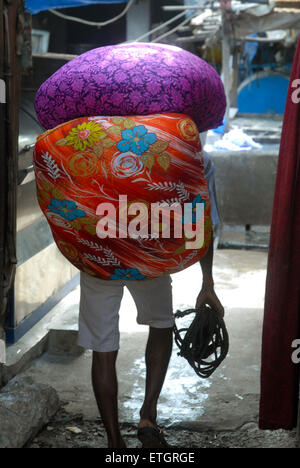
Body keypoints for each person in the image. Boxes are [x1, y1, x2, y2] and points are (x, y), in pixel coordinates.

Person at [77, 150, 225, 448]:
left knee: (102, 346)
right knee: (160, 325)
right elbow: (202, 220)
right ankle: (148, 417)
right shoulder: (190, 153)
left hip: (98, 254)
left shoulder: (90, 144)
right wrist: (207, 281)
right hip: (149, 252)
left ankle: (114, 441)